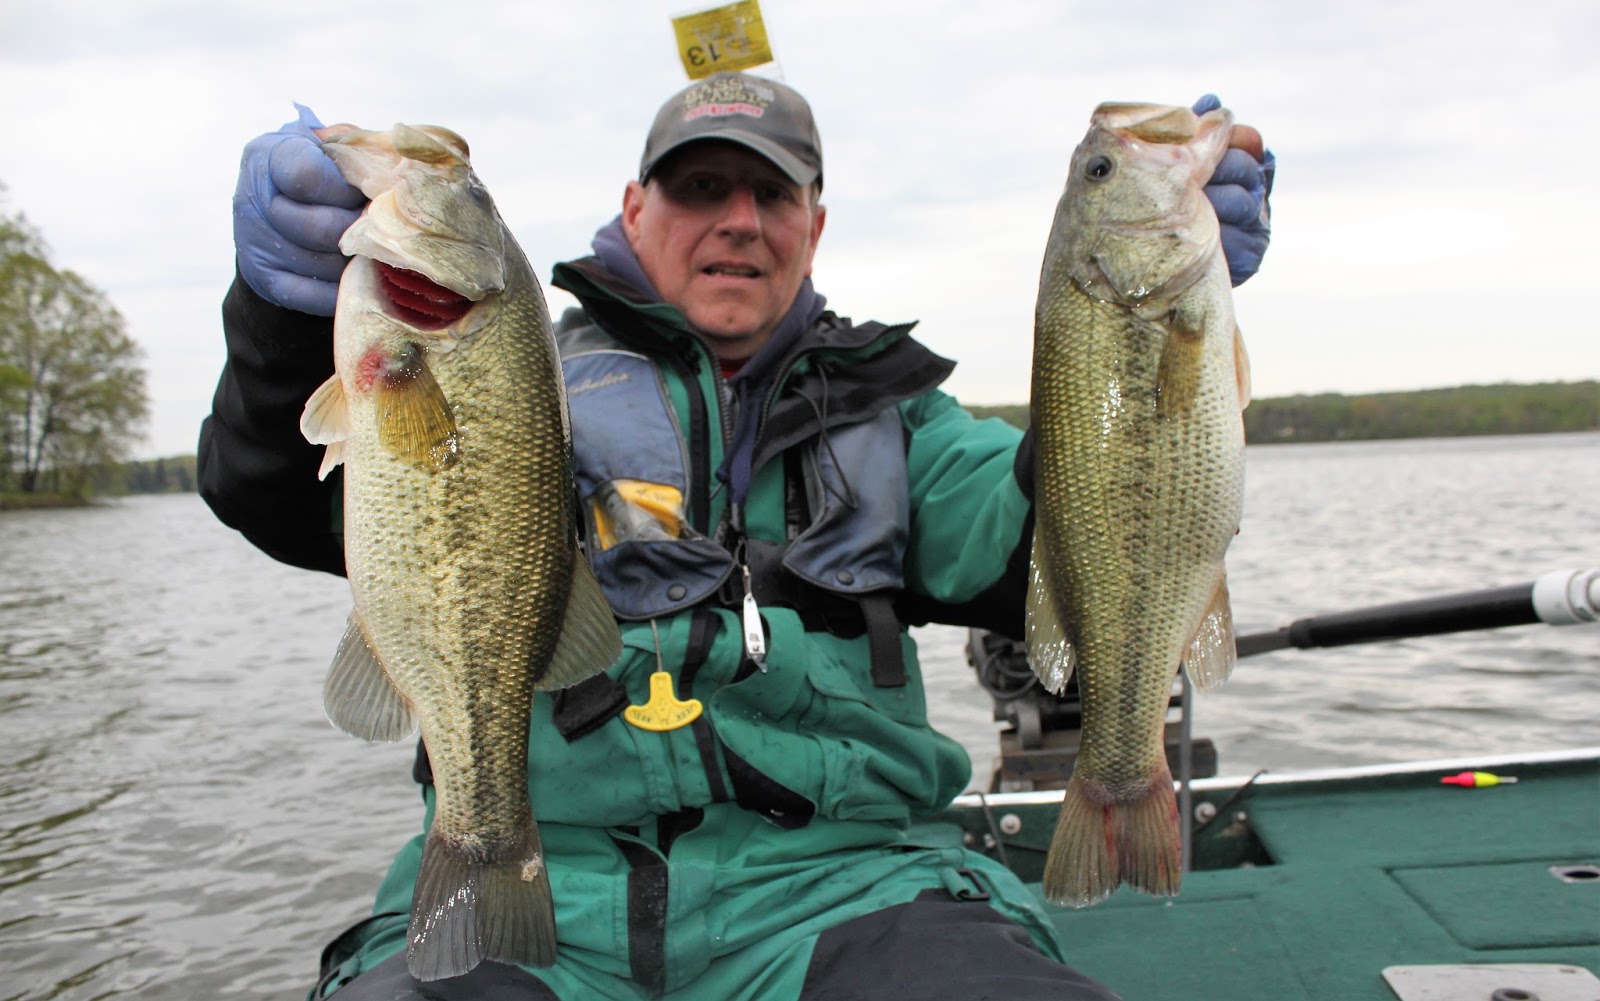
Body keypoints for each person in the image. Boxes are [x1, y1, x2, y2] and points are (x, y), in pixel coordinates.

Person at [199, 73, 1274, 1001]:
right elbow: (286, 498)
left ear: (815, 222)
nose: (739, 219)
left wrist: (1135, 361)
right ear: (633, 205)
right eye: (699, 187)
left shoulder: (901, 418)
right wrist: (280, 323)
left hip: (851, 881)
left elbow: (1046, 537)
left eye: (772, 191)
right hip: (546, 873)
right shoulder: (517, 383)